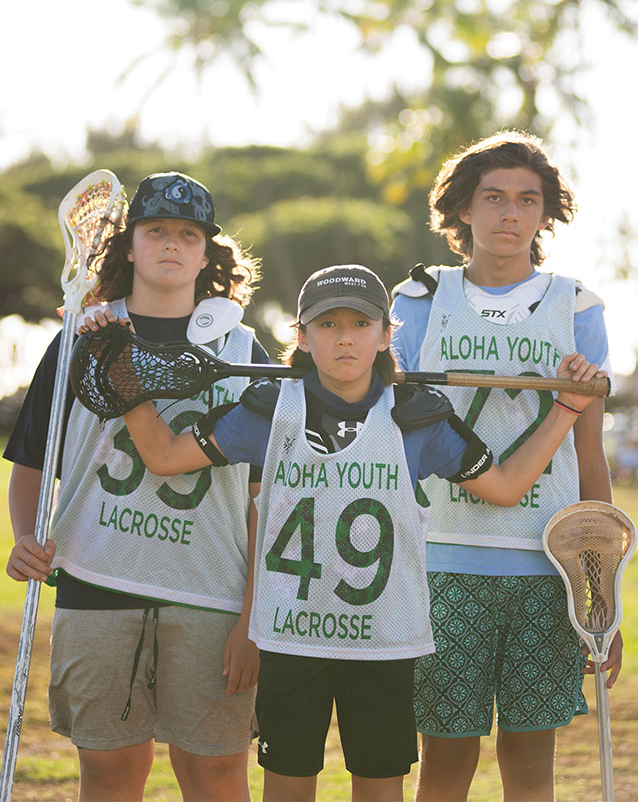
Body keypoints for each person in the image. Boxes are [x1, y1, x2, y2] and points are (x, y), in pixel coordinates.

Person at [84, 263, 605, 802]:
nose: (345, 337)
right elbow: (166, 457)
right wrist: (123, 379)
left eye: (360, 323)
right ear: (303, 337)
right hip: (292, 638)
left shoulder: (417, 418)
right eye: (328, 324)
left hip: (383, 642)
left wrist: (567, 408)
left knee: (380, 789)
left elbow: (507, 487)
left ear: (385, 335)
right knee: (287, 787)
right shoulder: (268, 412)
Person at [4, 171, 268, 802]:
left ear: (208, 253)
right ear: (129, 245)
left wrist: (254, 615)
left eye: (187, 234)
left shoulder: (242, 345)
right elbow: (35, 459)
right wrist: (23, 536)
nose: (171, 245)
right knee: (109, 769)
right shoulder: (78, 338)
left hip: (211, 588)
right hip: (97, 575)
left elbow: (261, 495)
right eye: (155, 231)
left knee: (215, 772)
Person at [391, 131, 621, 802]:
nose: (509, 214)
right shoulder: (420, 299)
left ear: (547, 213)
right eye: (493, 198)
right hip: (441, 554)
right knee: (447, 757)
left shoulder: (577, 307)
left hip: (543, 561)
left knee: (530, 760)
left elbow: (587, 454)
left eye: (527, 200)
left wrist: (598, 587)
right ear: (462, 208)